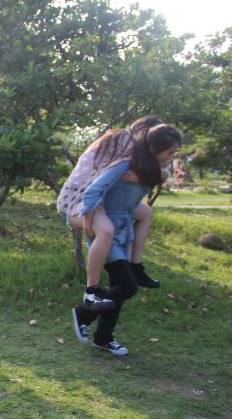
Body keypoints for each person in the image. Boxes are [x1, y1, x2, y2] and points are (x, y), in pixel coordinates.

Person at [71, 124, 182, 355]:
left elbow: (162, 175)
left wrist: (160, 173)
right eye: (170, 152)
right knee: (127, 286)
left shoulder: (147, 168)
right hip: (108, 231)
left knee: (119, 286)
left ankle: (103, 338)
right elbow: (93, 191)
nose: (171, 157)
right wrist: (89, 221)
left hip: (123, 231)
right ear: (154, 147)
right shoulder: (125, 164)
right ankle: (83, 312)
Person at [58, 116, 164, 311]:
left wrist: (149, 174)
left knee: (145, 213)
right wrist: (88, 219)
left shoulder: (130, 144)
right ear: (144, 132)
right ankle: (91, 291)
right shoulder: (125, 140)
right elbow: (107, 178)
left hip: (102, 199)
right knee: (106, 230)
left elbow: (155, 172)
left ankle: (136, 266)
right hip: (80, 199)